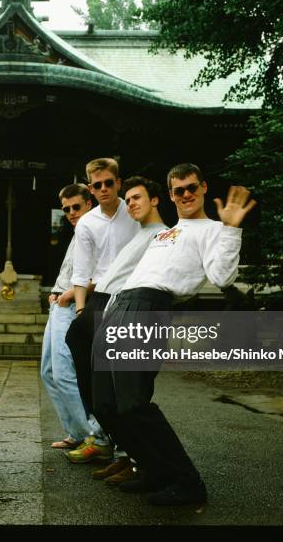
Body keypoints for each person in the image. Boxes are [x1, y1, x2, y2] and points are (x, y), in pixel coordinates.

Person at [92, 163, 256, 506]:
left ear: (203, 187)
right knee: (107, 405)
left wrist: (231, 228)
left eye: (191, 187)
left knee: (134, 404)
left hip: (149, 307)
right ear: (170, 195)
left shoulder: (213, 230)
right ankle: (155, 471)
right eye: (179, 190)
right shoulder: (167, 233)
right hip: (120, 308)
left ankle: (188, 482)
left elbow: (223, 277)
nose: (186, 194)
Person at [85, 175, 167, 483]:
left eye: (137, 197)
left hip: (137, 317)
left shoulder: (163, 236)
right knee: (108, 401)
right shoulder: (140, 233)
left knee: (133, 399)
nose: (130, 203)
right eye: (129, 199)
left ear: (155, 199)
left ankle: (143, 463)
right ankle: (128, 455)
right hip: (112, 314)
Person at [64, 158, 139, 463]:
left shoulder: (134, 210)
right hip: (100, 295)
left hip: (132, 293)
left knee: (119, 370)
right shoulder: (87, 222)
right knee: (76, 339)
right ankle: (106, 429)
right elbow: (80, 274)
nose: (104, 189)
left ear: (119, 183)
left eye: (109, 183)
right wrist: (81, 311)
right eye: (97, 185)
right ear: (90, 189)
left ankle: (129, 448)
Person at [41, 183, 98, 450]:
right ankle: (75, 431)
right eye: (66, 209)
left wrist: (69, 296)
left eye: (77, 206)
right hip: (59, 302)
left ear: (89, 203)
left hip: (71, 303)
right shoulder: (78, 233)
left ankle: (93, 436)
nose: (72, 212)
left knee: (65, 372)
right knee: (49, 372)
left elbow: (102, 275)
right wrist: (55, 293)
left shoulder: (97, 229)